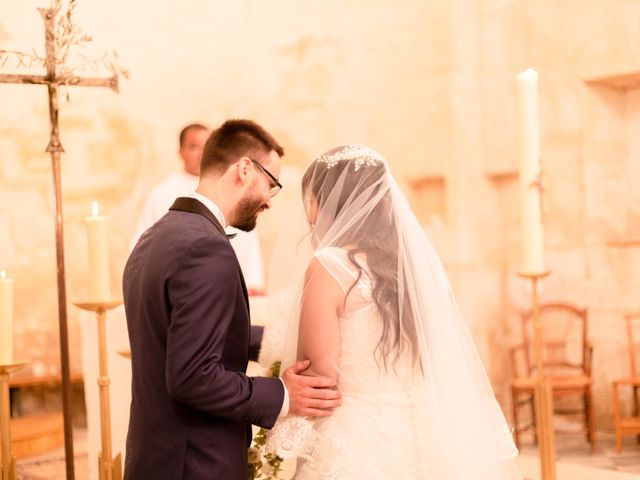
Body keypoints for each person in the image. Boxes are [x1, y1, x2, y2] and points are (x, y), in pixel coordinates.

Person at [265, 145, 522, 479]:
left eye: (311, 200)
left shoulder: (330, 266)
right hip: (426, 432)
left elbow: (321, 380)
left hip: (358, 440)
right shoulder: (414, 268)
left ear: (328, 202)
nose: (309, 213)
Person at [122, 120, 341, 479]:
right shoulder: (206, 248)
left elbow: (189, 334)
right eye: (271, 184)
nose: (270, 199)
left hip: (156, 456)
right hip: (196, 463)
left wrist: (278, 343)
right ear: (243, 169)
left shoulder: (156, 236)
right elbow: (193, 376)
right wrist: (284, 394)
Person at [130, 123, 266, 294]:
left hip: (235, 290)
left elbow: (247, 238)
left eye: (206, 146)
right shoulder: (163, 194)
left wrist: (253, 280)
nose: (201, 153)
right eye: (194, 147)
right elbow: (143, 247)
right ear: (181, 152)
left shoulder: (232, 186)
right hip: (185, 291)